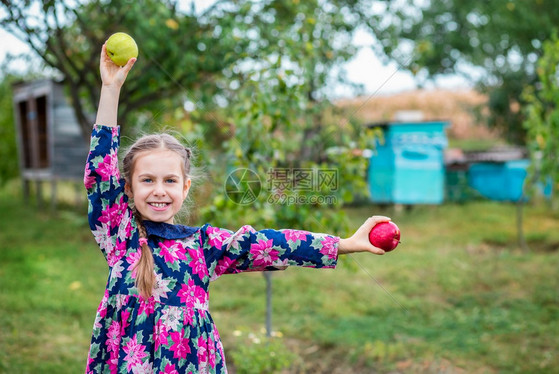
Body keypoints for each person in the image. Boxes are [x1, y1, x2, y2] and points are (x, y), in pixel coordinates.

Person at [84, 40, 391, 374]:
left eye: (170, 181)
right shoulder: (120, 234)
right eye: (147, 180)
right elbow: (101, 172)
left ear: (185, 188)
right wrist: (110, 89)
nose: (159, 191)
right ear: (127, 188)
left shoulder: (203, 246)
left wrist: (344, 244)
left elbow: (270, 244)